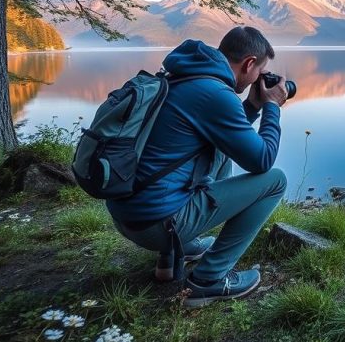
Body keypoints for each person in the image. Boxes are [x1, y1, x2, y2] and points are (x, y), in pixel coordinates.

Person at [106, 26, 288, 307]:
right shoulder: (216, 93)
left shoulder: (185, 76)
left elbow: (225, 134)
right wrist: (273, 106)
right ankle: (208, 280)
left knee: (219, 152)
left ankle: (174, 256)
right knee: (275, 180)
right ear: (250, 63)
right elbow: (262, 159)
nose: (258, 79)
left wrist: (252, 106)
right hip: (155, 225)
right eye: (259, 71)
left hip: (128, 215)